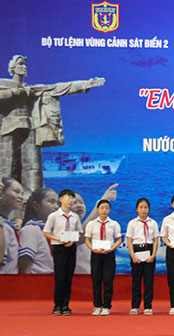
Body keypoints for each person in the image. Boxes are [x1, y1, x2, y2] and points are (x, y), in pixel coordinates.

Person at [0, 55, 105, 191]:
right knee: (7, 166)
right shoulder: (4, 84)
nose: (24, 67)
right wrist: (14, 92)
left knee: (33, 167)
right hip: (9, 128)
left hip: (30, 127)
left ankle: (35, 199)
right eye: (20, 64)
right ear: (13, 68)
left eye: (25, 64)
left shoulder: (33, 89)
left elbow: (59, 88)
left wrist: (87, 84)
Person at [43, 189, 82, 316]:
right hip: (59, 248)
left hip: (71, 247)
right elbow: (46, 232)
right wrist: (58, 238)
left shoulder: (75, 217)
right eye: (68, 198)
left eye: (72, 198)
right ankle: (57, 305)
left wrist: (73, 240)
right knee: (60, 277)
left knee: (68, 277)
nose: (70, 200)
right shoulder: (53, 216)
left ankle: (66, 305)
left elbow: (79, 232)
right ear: (61, 200)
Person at [84, 200, 122, 316]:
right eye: (102, 208)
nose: (104, 210)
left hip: (109, 254)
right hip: (96, 254)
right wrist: (92, 249)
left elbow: (119, 239)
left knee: (108, 280)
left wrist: (112, 248)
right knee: (96, 280)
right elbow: (87, 240)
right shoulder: (91, 224)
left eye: (106, 208)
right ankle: (97, 305)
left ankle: (106, 306)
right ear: (98, 209)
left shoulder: (114, 224)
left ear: (109, 210)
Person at [126, 198, 159, 315]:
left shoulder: (153, 223)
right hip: (137, 251)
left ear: (149, 209)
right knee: (136, 280)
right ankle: (135, 305)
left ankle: (148, 306)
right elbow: (129, 240)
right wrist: (132, 255)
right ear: (136, 209)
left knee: (149, 280)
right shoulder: (132, 223)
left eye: (145, 207)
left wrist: (154, 254)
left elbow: (156, 240)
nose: (143, 210)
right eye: (141, 207)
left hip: (149, 250)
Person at [18, 187, 58, 273]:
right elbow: (24, 264)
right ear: (36, 206)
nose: (56, 207)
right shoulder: (31, 229)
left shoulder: (47, 231)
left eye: (57, 203)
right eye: (51, 202)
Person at [0, 176, 23, 274]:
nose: (21, 197)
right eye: (16, 191)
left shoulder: (7, 225)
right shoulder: (3, 225)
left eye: (22, 193)